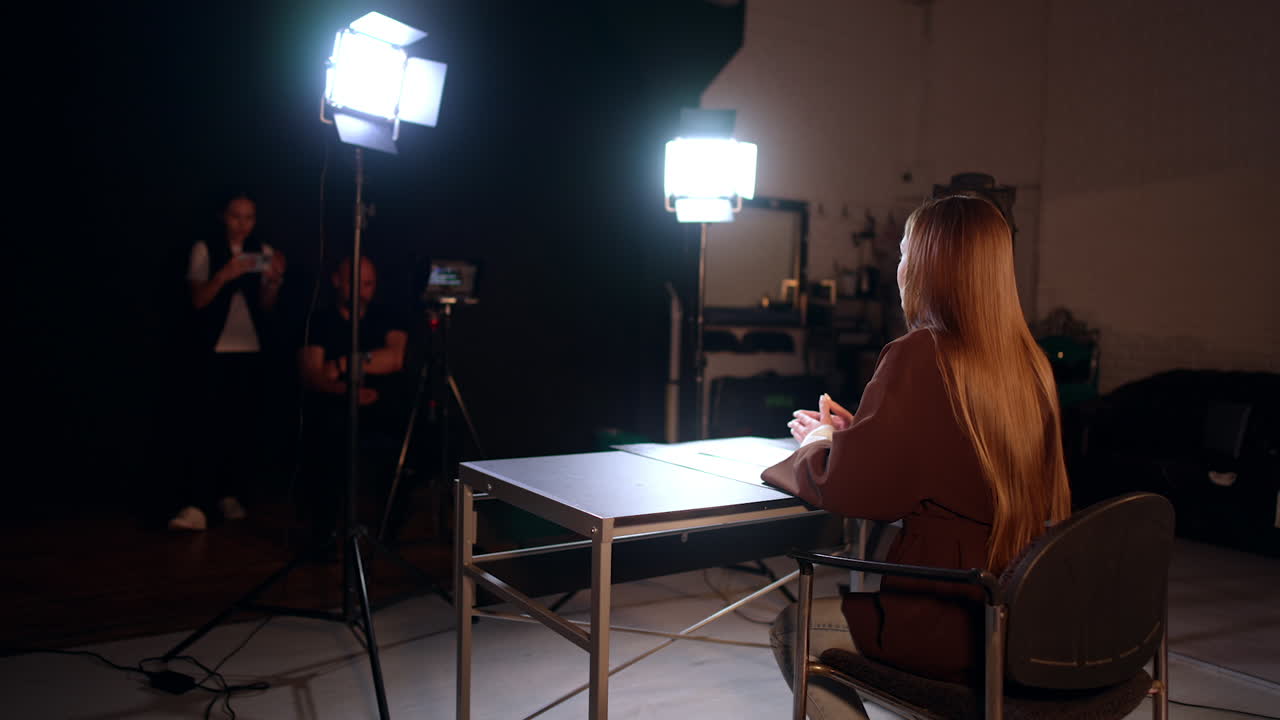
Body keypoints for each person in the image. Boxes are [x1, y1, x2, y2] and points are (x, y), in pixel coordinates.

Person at [761, 195, 1071, 719]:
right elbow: (961, 456)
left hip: (947, 612)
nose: (899, 268)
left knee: (794, 629)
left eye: (904, 254)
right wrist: (861, 437)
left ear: (928, 266)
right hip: (1020, 608)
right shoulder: (1030, 363)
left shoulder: (921, 354)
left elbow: (854, 493)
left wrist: (819, 445)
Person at [169, 190, 288, 531]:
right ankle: (196, 502)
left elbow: (266, 305)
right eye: (236, 216)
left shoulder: (262, 250)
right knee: (205, 426)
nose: (242, 224)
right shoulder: (205, 248)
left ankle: (230, 494)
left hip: (249, 349)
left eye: (249, 217)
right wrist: (226, 274)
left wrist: (274, 281)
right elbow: (198, 300)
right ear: (223, 216)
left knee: (241, 427)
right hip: (211, 351)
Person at [297, 255, 409, 546]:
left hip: (380, 412)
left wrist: (344, 363)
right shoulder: (319, 320)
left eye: (369, 284)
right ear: (337, 281)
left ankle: (389, 533)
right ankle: (323, 535)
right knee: (327, 446)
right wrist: (347, 392)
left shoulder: (387, 316)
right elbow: (313, 374)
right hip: (333, 411)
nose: (362, 291)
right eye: (355, 283)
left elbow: (395, 358)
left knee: (407, 443)